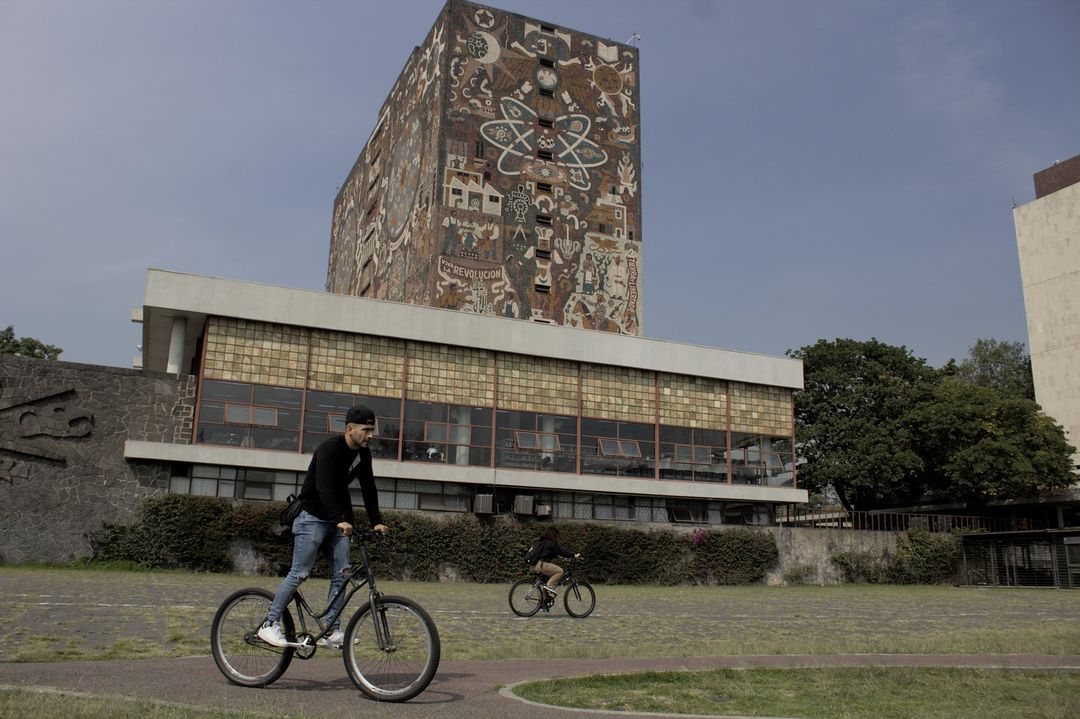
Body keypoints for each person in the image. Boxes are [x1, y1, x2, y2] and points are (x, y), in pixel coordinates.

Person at [258, 405, 387, 649]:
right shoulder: (329, 449)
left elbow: (369, 487)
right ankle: (269, 623)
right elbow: (323, 486)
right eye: (366, 430)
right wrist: (338, 518)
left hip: (338, 521)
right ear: (350, 429)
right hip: (313, 517)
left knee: (342, 575)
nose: (371, 435)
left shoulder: (363, 454)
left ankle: (331, 630)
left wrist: (376, 521)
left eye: (372, 430)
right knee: (300, 572)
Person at [529, 527, 580, 602]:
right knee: (560, 571)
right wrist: (573, 555)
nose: (556, 537)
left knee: (548, 581)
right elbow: (560, 551)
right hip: (541, 565)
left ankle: (543, 602)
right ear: (553, 535)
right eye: (555, 535)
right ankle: (549, 586)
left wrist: (563, 558)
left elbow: (554, 554)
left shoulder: (543, 542)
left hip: (534, 565)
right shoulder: (551, 543)